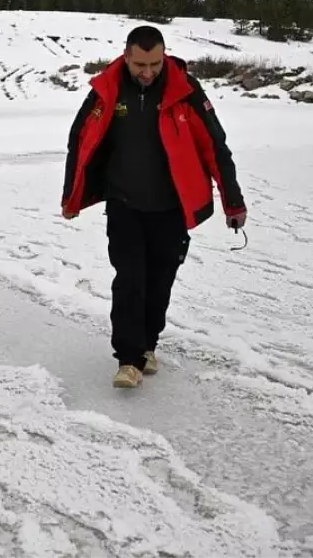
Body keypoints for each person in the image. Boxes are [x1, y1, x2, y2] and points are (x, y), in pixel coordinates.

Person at [61, 25, 247, 389]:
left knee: (160, 281)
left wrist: (233, 201)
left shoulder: (185, 91)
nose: (148, 72)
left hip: (171, 207)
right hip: (124, 203)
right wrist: (72, 198)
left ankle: (147, 345)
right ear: (126, 56)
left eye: (155, 64)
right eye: (140, 64)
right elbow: (78, 140)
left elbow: (215, 145)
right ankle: (128, 359)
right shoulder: (108, 91)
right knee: (130, 279)